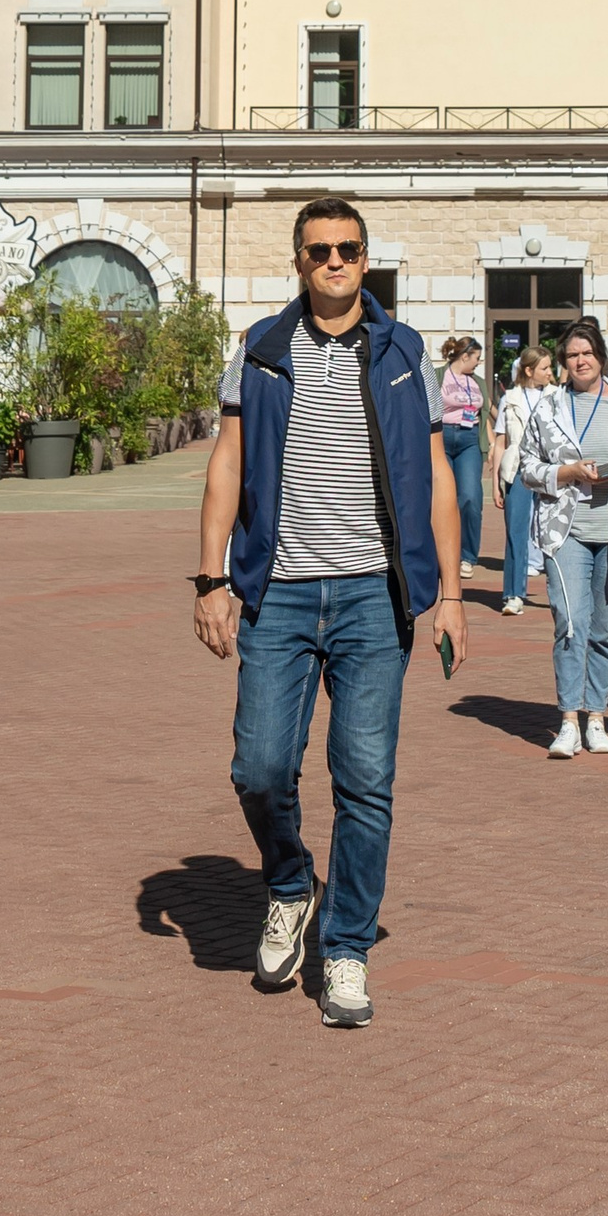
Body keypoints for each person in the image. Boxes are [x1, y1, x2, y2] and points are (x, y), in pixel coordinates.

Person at [194, 201, 467, 1029]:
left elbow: (438, 477)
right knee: (260, 768)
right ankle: (289, 884)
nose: (335, 262)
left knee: (365, 778)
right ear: (299, 261)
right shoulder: (262, 350)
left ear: (366, 258)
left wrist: (451, 592)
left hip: (372, 596)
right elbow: (227, 466)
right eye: (320, 251)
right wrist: (210, 578)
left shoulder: (403, 351)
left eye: (348, 249)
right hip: (277, 591)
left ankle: (346, 945)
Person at [515, 318, 608, 756]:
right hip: (566, 530)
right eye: (572, 355)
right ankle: (567, 720)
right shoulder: (549, 406)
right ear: (563, 363)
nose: (580, 361)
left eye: (587, 353)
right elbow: (526, 467)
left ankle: (596, 715)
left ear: (600, 356)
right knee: (569, 622)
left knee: (604, 627)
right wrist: (565, 472)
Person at [488, 346, 552, 613]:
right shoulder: (510, 398)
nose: (550, 373)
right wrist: (496, 485)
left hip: (549, 469)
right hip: (516, 469)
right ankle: (513, 594)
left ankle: (562, 592)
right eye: (545, 368)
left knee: (553, 533)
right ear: (529, 370)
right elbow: (501, 442)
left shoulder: (556, 396)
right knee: (516, 532)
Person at [437, 336, 487, 573]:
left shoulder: (478, 382)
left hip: (469, 440)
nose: (479, 362)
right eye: (476, 357)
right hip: (440, 438)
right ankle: (441, 554)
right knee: (441, 499)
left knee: (470, 496)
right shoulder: (438, 375)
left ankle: (467, 556)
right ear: (464, 356)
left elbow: (487, 410)